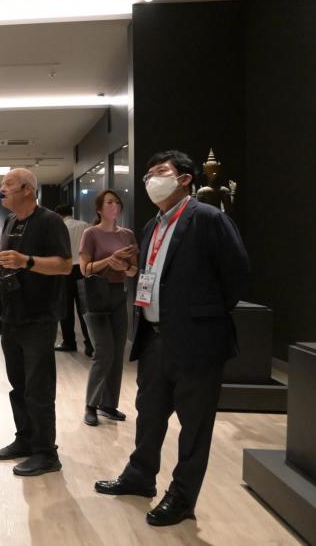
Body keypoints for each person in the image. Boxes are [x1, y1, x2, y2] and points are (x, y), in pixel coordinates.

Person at [94, 150, 249, 527]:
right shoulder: (152, 226)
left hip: (198, 340)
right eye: (147, 174)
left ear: (184, 179)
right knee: (149, 414)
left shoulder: (208, 218)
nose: (151, 179)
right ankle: (139, 476)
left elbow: (237, 275)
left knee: (194, 425)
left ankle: (182, 497)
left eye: (160, 172)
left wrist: (203, 315)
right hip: (155, 338)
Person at [0, 169, 72, 476]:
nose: (1, 189)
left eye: (7, 185)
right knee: (18, 384)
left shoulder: (50, 221)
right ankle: (26, 439)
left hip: (39, 316)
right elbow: (10, 267)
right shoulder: (11, 221)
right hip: (12, 314)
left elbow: (64, 265)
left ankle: (46, 452)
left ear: (27, 189)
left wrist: (27, 261)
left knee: (38, 387)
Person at [77, 191, 138, 427]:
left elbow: (133, 270)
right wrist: (109, 260)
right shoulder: (91, 233)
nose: (115, 205)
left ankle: (109, 404)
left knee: (118, 350)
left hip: (118, 295)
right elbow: (84, 269)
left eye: (117, 202)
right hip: (97, 295)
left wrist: (123, 266)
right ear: (100, 209)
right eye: (109, 202)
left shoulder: (127, 234)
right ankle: (91, 405)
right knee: (104, 351)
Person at [54, 204, 94, 355]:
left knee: (66, 309)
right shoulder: (85, 225)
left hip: (65, 270)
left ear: (59, 215)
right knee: (85, 309)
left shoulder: (59, 227)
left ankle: (69, 342)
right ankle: (90, 344)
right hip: (82, 270)